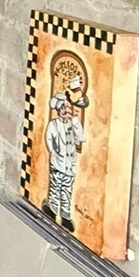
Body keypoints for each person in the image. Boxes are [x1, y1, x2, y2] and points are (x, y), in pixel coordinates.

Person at [42, 67, 88, 231]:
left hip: (70, 166)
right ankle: (53, 210)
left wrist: (75, 121)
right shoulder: (54, 125)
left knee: (67, 191)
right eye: (62, 109)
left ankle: (66, 216)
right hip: (58, 163)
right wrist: (54, 152)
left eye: (67, 109)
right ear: (58, 110)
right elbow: (49, 139)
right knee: (56, 188)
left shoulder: (72, 124)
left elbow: (81, 138)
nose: (65, 111)